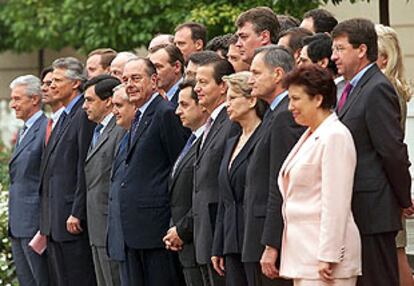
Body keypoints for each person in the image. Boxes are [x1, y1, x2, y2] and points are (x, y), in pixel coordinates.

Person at [331, 18, 413, 286]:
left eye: (340, 49)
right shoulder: (355, 88)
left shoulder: (377, 88)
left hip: (374, 209)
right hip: (357, 208)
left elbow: (392, 150)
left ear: (362, 49)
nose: (334, 57)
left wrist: (404, 198)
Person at [278, 64, 361, 286]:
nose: (290, 107)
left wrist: (329, 254)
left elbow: (336, 201)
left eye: (296, 99)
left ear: (317, 99)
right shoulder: (311, 134)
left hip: (325, 261)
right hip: (305, 255)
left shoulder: (335, 136)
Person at [119, 57, 188, 286]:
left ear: (154, 80)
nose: (129, 84)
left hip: (157, 229)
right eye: (125, 79)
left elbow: (179, 168)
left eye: (136, 78)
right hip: (136, 229)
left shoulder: (165, 113)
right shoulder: (138, 116)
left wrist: (173, 222)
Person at [247, 45, 304, 286]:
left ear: (278, 74)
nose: (251, 80)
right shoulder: (272, 113)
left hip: (274, 236)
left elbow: (280, 183)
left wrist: (272, 243)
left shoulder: (285, 115)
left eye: (257, 73)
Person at [39, 57, 97, 286]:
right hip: (55, 220)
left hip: (71, 220)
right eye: (50, 81)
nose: (51, 85)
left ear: (75, 83)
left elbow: (84, 165)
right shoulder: (63, 116)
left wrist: (77, 210)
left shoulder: (83, 113)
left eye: (57, 81)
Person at [211, 71, 267, 286]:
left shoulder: (265, 135)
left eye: (232, 98)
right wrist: (218, 245)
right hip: (231, 242)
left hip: (255, 239)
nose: (227, 105)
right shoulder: (231, 141)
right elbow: (225, 198)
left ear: (252, 99)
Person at [193, 57, 237, 286]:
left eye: (203, 82)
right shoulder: (211, 123)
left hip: (219, 233)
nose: (197, 88)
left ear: (223, 86)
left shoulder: (230, 122)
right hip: (205, 234)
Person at [375, 23, 414, 286]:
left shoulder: (385, 90)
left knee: (396, 256)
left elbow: (391, 147)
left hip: (386, 190)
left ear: (384, 57)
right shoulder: (391, 88)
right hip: (389, 188)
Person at [163, 79, 209, 286]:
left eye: (184, 105)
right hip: (184, 242)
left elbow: (204, 191)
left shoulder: (206, 142)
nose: (177, 111)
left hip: (195, 238)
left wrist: (182, 229)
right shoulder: (191, 141)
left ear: (202, 106)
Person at [83, 75, 125, 286]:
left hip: (110, 225)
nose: (84, 106)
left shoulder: (119, 130)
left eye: (90, 100)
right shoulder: (98, 131)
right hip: (96, 225)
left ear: (107, 101)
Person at [8, 75, 49, 286]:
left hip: (34, 224)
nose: (12, 104)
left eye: (17, 99)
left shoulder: (47, 128)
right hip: (18, 224)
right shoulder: (24, 131)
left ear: (35, 99)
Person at [107, 84, 136, 286]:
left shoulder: (135, 135)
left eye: (119, 105)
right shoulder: (125, 136)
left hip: (136, 234)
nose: (114, 111)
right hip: (121, 236)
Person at [40, 66, 65, 136]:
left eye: (49, 84)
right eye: (43, 84)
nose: (43, 88)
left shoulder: (71, 120)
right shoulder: (47, 123)